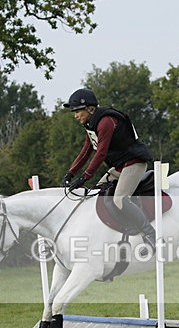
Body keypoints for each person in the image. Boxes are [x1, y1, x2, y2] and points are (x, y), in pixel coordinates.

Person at [61, 88, 157, 249]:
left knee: (120, 199)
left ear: (90, 108)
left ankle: (150, 234)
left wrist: (85, 177)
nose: (75, 116)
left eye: (78, 111)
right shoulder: (91, 124)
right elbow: (85, 152)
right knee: (96, 194)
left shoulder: (106, 122)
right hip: (120, 166)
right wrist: (70, 173)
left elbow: (101, 153)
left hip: (134, 163)